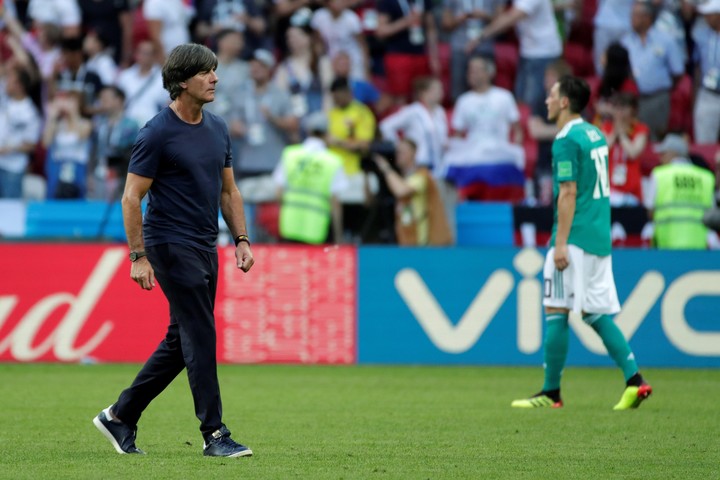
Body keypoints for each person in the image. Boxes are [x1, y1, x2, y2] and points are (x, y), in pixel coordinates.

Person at [93, 43, 255, 458]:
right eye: (206, 72)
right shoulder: (156, 132)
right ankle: (214, 434)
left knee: (180, 340)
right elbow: (132, 198)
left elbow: (229, 190)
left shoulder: (217, 128)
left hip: (205, 244)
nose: (215, 78)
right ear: (182, 81)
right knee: (200, 334)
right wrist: (138, 256)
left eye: (215, 71)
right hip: (168, 244)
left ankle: (120, 416)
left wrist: (241, 239)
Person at [511, 75, 652, 410]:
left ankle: (551, 393)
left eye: (551, 95)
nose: (546, 100)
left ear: (564, 102)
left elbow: (569, 192)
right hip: (599, 237)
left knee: (556, 309)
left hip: (573, 238)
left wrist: (559, 244)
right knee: (594, 312)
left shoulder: (566, 140)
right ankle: (635, 380)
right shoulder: (595, 134)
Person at [273, 112, 349, 244]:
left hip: (289, 226)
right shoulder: (333, 161)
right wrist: (338, 236)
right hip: (316, 229)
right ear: (327, 132)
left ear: (308, 131)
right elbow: (335, 203)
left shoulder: (290, 154)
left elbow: (278, 193)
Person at [474, 0, 562, 115]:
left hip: (543, 53)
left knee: (533, 102)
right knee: (521, 98)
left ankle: (537, 128)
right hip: (528, 51)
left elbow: (510, 18)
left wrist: (480, 37)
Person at [621, 0, 684, 141]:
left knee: (654, 139)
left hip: (657, 98)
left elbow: (678, 72)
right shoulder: (626, 41)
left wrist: (662, 87)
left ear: (647, 18)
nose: (631, 19)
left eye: (635, 15)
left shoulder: (666, 40)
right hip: (632, 101)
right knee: (632, 139)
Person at [373, 138, 452, 246]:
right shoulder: (401, 177)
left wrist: (385, 167)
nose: (398, 155)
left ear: (414, 153)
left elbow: (401, 190)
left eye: (402, 152)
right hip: (406, 240)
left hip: (423, 242)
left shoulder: (422, 175)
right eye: (397, 152)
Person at [644, 134, 716, 249]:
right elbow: (712, 215)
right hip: (699, 248)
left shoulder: (659, 174)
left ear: (674, 153)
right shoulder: (706, 177)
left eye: (663, 153)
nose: (660, 158)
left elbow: (650, 211)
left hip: (667, 247)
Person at [88, 86, 139, 201]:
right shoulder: (99, 124)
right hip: (100, 173)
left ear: (119, 100)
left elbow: (134, 152)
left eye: (106, 97)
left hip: (122, 175)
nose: (102, 101)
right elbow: (93, 151)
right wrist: (89, 174)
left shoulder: (131, 126)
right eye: (101, 98)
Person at [0, 67, 42, 199]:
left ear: (19, 86)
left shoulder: (30, 112)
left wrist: (9, 149)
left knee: (9, 210)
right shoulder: (3, 100)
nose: (6, 83)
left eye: (10, 80)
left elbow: (31, 145)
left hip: (13, 168)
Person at [600, 92, 648, 206]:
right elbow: (601, 151)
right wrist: (614, 133)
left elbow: (633, 153)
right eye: (617, 107)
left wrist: (622, 135)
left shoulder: (640, 129)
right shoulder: (606, 127)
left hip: (631, 192)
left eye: (623, 107)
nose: (619, 112)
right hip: (609, 191)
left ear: (632, 110)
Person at [692, 0, 720, 144]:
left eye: (710, 15)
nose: (706, 18)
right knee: (704, 142)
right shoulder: (701, 35)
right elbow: (697, 67)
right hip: (708, 93)